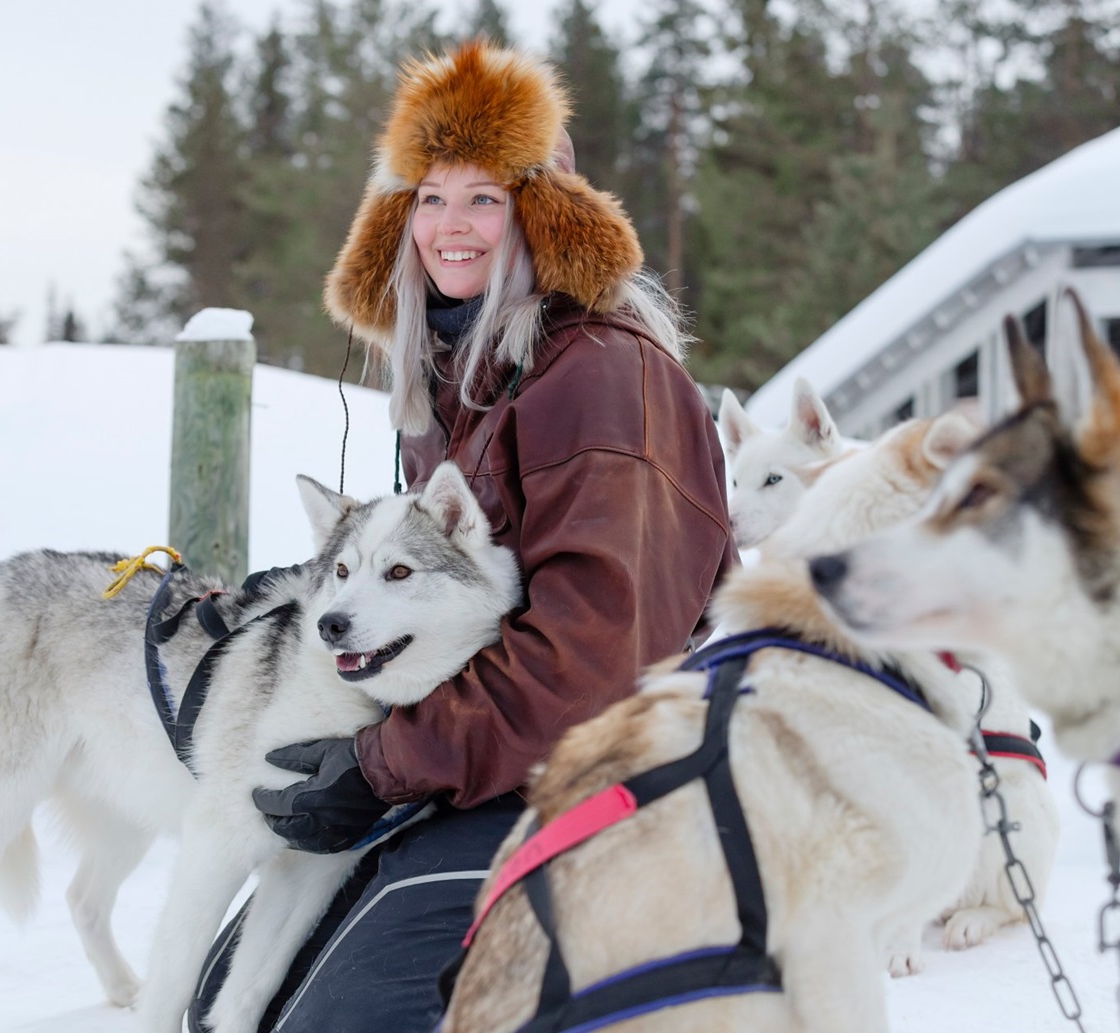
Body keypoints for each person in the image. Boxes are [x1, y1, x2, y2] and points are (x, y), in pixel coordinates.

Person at [191, 39, 737, 1033]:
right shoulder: (466, 376)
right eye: (427, 196)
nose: (452, 226)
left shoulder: (598, 375)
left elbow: (594, 655)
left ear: (537, 212)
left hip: (611, 779)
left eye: (483, 197)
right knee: (229, 999)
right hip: (494, 765)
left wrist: (385, 764)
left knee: (330, 1023)